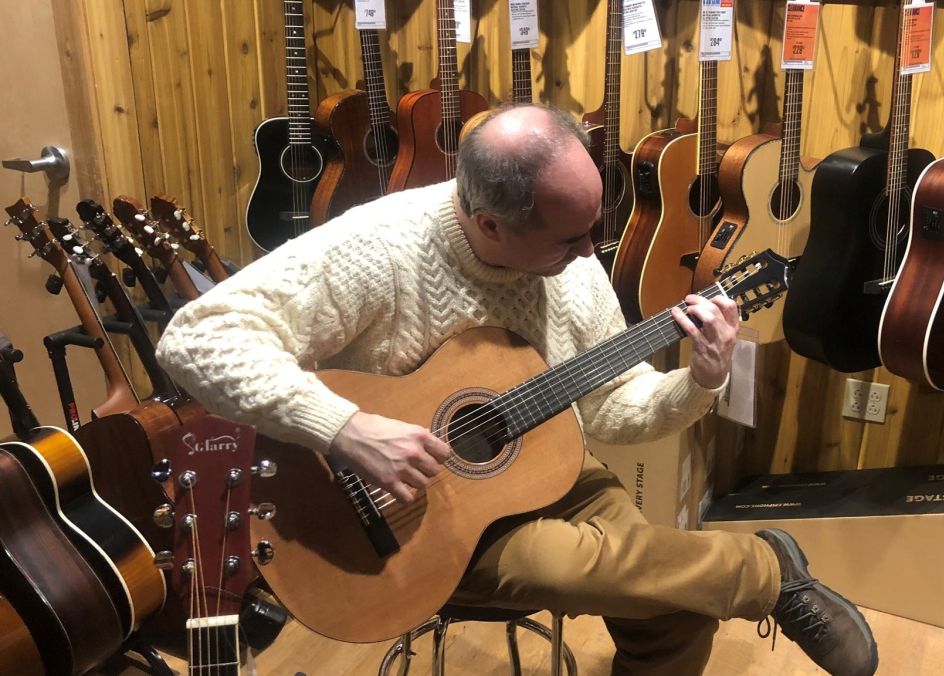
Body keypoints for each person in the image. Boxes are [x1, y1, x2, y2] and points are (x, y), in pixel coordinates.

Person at [156, 104, 878, 675]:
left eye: (592, 230)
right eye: (567, 241)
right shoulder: (376, 249)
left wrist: (700, 381)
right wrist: (345, 426)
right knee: (593, 566)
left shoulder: (573, 260)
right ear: (489, 223)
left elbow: (612, 410)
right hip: (416, 528)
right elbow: (195, 339)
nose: (588, 255)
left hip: (551, 469)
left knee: (676, 599)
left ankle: (748, 580)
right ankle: (765, 569)